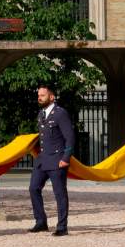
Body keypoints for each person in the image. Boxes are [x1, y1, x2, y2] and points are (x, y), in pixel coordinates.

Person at [29, 84, 74, 236]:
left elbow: (70, 138)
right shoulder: (41, 114)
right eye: (38, 95)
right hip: (42, 160)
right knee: (33, 188)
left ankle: (62, 227)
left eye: (42, 95)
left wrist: (66, 158)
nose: (39, 97)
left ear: (52, 97)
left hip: (57, 160)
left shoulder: (60, 113)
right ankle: (41, 222)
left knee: (59, 193)